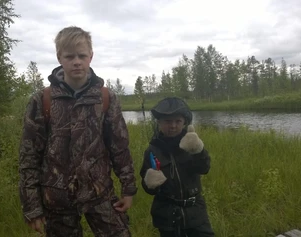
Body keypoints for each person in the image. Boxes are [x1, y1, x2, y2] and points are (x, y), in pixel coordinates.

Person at [18, 26, 137, 237]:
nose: (76, 61)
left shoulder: (106, 98)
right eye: (69, 56)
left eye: (82, 55)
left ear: (91, 56)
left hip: (100, 193)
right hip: (56, 200)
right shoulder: (42, 100)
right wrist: (32, 207)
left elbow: (119, 147)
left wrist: (128, 188)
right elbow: (29, 157)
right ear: (59, 57)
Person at [140, 97, 214, 237]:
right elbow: (149, 190)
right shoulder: (152, 151)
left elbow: (204, 169)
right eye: (168, 121)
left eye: (178, 121)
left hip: (195, 212)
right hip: (166, 215)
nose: (173, 126)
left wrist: (199, 151)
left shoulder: (191, 143)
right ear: (159, 122)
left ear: (184, 122)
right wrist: (149, 182)